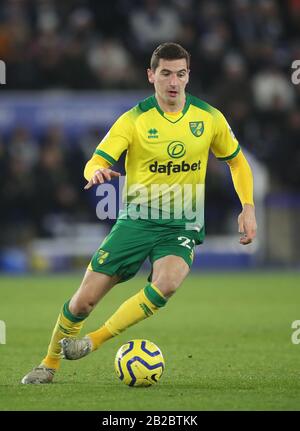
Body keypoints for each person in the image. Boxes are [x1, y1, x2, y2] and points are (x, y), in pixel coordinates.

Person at [22, 42, 257, 384]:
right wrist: (96, 173)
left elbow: (237, 161)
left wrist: (247, 207)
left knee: (168, 282)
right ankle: (48, 363)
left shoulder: (209, 118)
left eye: (180, 74)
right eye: (165, 74)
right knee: (83, 302)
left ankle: (93, 341)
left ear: (188, 76)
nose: (173, 82)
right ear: (151, 76)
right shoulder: (134, 119)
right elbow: (96, 160)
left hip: (182, 222)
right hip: (136, 220)